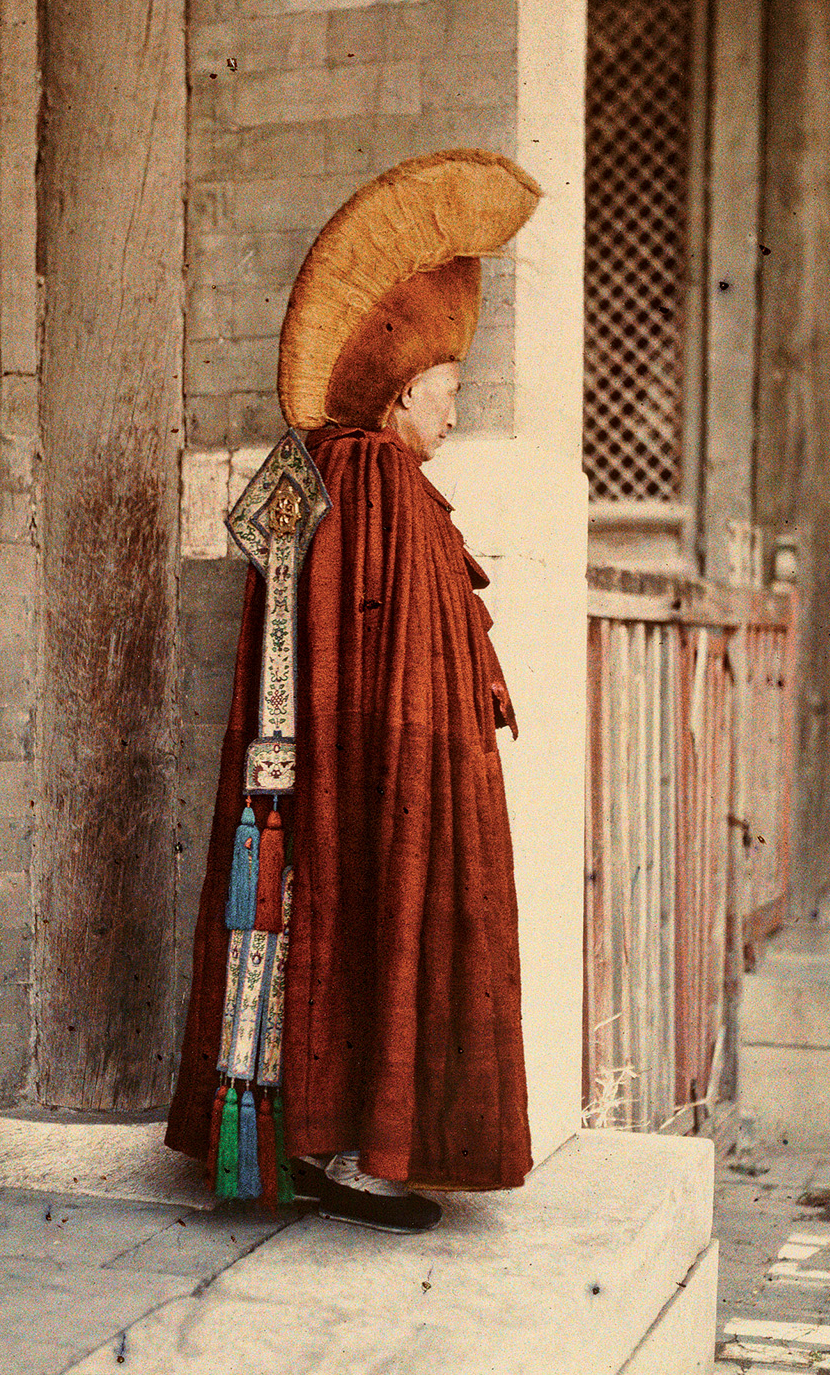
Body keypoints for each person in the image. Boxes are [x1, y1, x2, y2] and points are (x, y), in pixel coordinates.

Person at [166, 149, 541, 1232]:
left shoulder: (369, 479)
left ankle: (330, 1145)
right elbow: (366, 653)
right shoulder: (371, 477)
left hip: (363, 761)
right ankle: (346, 1153)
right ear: (396, 393)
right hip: (370, 765)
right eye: (446, 393)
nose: (455, 415)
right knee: (362, 916)